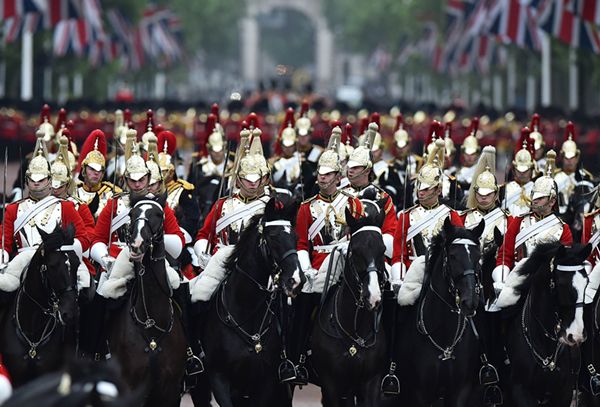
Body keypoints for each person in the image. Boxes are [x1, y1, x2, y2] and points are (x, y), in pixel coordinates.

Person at [292, 127, 362, 385]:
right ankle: (297, 358)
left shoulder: (353, 203)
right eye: (320, 173)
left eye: (328, 174)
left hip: (348, 261)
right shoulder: (306, 207)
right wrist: (306, 268)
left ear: (338, 176)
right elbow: (302, 243)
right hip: (318, 265)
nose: (322, 178)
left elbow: (362, 235)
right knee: (302, 305)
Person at [494, 150, 573, 289]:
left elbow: (565, 262)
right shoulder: (518, 221)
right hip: (518, 280)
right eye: (533, 196)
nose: (534, 201)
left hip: (549, 283)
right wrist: (503, 278)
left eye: (540, 198)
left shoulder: (563, 229)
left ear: (552, 201)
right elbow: (505, 254)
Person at [391, 139, 463, 287]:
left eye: (426, 189)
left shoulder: (451, 215)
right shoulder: (406, 216)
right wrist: (399, 278)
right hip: (412, 277)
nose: (420, 192)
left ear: (438, 190)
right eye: (419, 188)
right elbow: (399, 253)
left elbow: (459, 249)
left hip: (443, 276)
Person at [342, 122, 396, 260]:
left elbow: (389, 232)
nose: (350, 171)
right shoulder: (338, 194)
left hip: (374, 255)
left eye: (356, 168)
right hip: (343, 253)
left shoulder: (383, 197)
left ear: (367, 170)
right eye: (350, 167)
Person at [75, 129, 122, 219]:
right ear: (84, 170)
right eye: (92, 169)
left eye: (100, 170)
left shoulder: (111, 194)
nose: (96, 173)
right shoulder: (73, 192)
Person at [502, 127, 536, 216]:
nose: (522, 173)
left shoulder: (536, 188)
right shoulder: (504, 189)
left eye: (525, 170)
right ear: (514, 169)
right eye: (519, 170)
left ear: (531, 169)